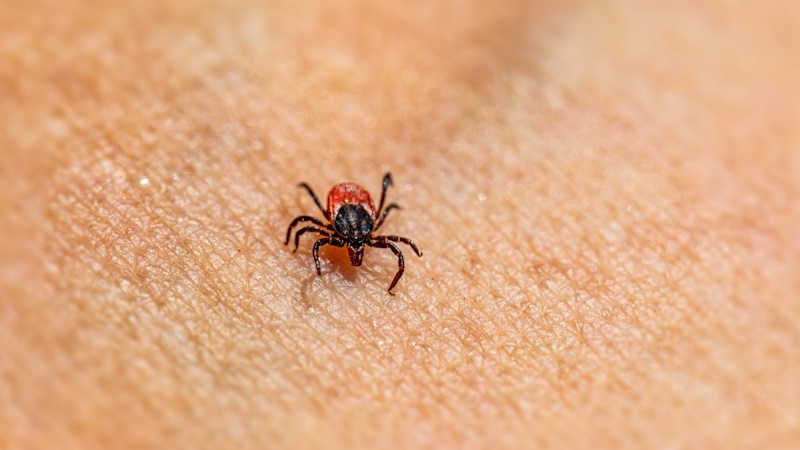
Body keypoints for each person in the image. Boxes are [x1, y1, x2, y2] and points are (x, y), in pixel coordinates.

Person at [4, 1, 798, 448]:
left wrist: (372, 263)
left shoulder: (359, 229)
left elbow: (368, 228)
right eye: (349, 239)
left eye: (357, 240)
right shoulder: (337, 226)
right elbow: (322, 220)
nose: (352, 245)